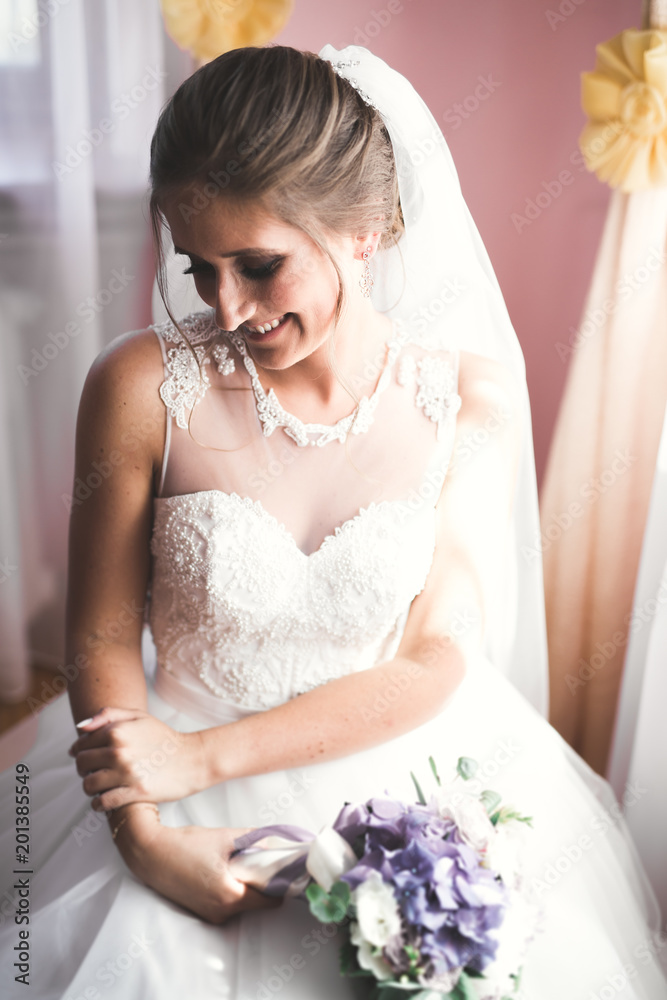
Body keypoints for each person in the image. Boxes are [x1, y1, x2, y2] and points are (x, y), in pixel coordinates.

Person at [1, 43, 666, 1000]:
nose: (225, 307)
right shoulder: (140, 384)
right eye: (197, 269)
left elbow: (437, 655)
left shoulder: (464, 400)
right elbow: (101, 630)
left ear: (366, 229)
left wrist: (205, 759)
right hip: (162, 774)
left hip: (387, 765)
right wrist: (145, 838)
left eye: (259, 266)